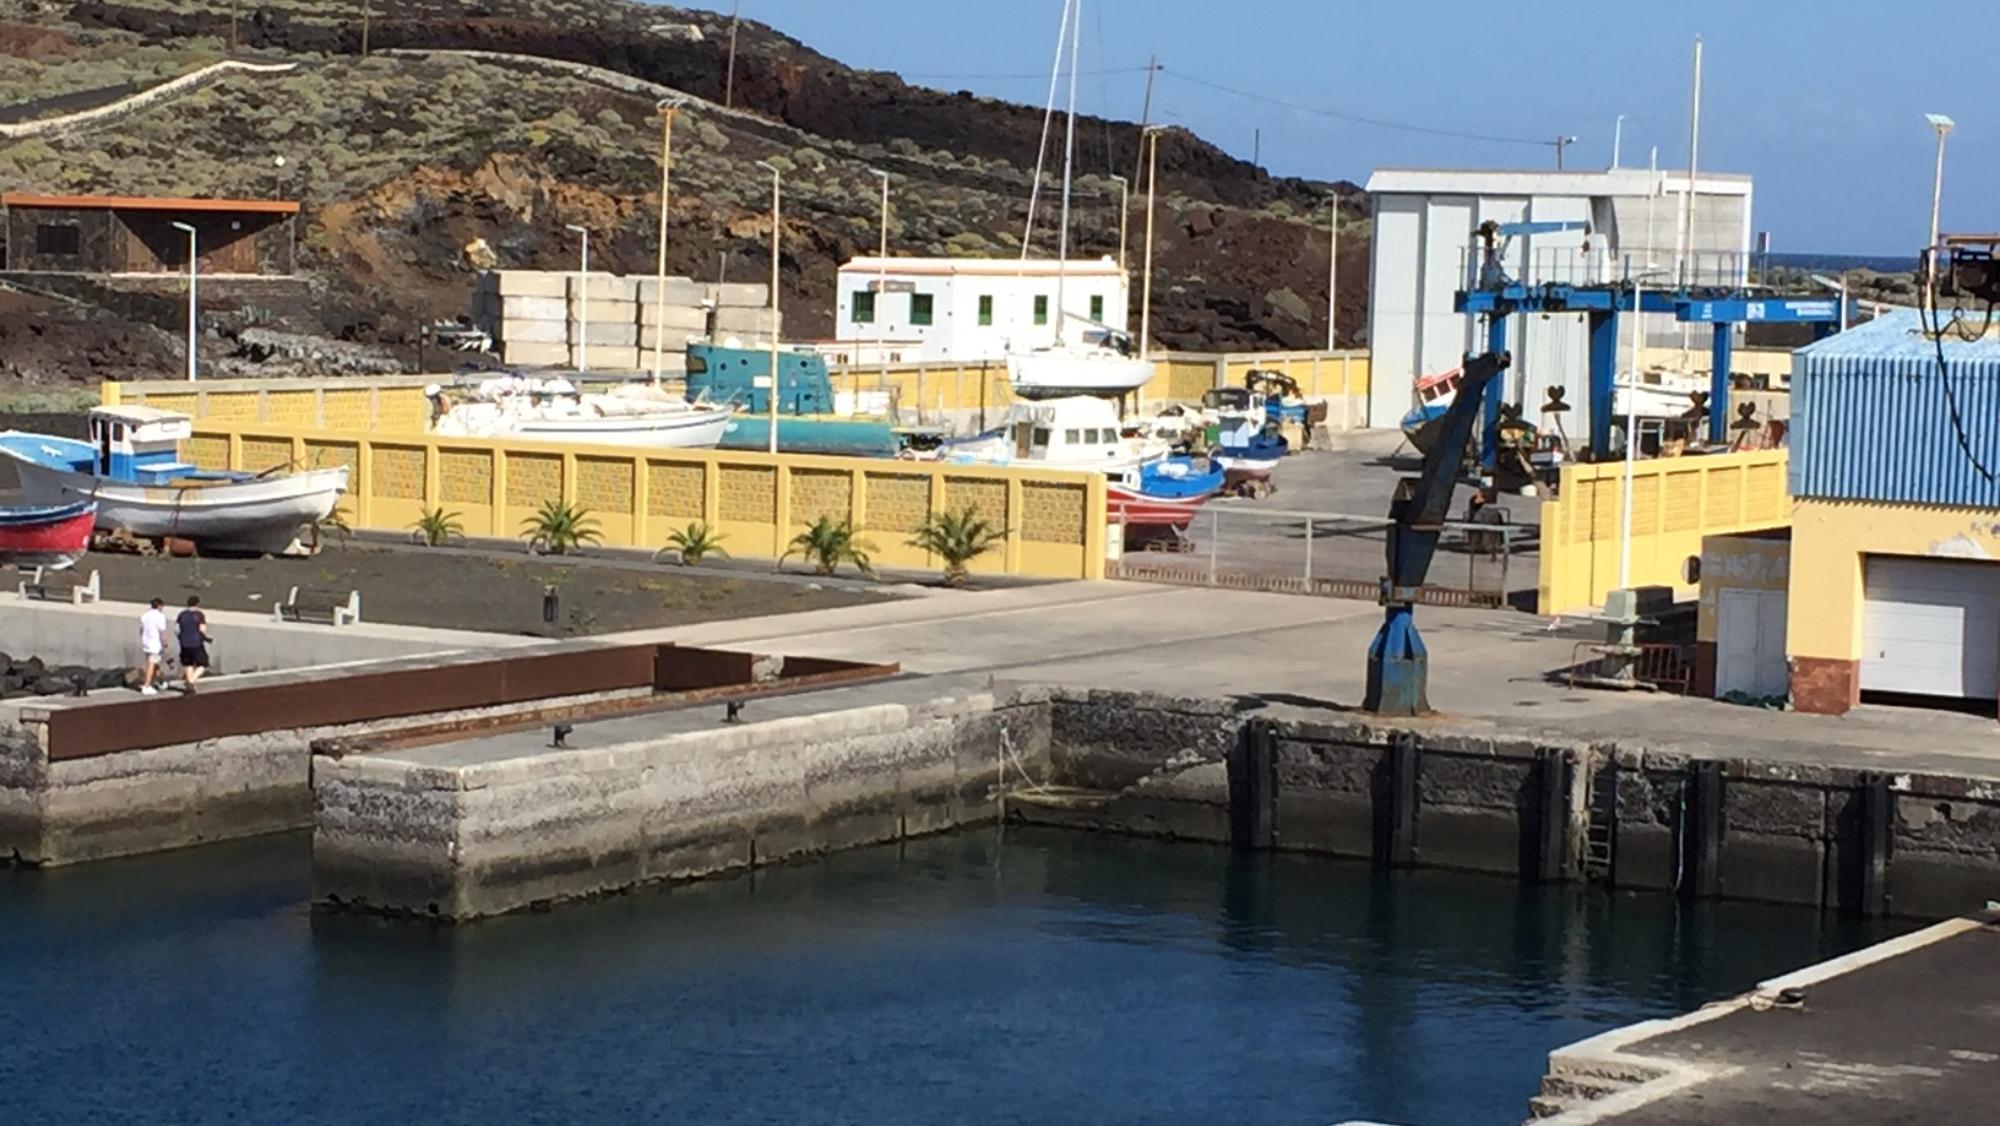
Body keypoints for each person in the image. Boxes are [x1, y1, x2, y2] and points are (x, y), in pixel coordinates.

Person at [176, 595, 212, 694]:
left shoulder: (182, 614)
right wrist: (206, 638)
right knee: (203, 664)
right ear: (197, 604)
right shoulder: (199, 615)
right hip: (196, 643)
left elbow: (177, 630)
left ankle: (189, 688)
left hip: (184, 643)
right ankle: (190, 681)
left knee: (188, 664)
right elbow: (202, 629)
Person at [138, 598, 169, 695]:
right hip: (155, 644)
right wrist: (165, 642)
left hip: (146, 642)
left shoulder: (145, 615)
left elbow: (141, 629)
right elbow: (162, 631)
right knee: (151, 664)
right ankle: (146, 685)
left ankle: (161, 681)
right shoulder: (160, 616)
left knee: (155, 663)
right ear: (159, 606)